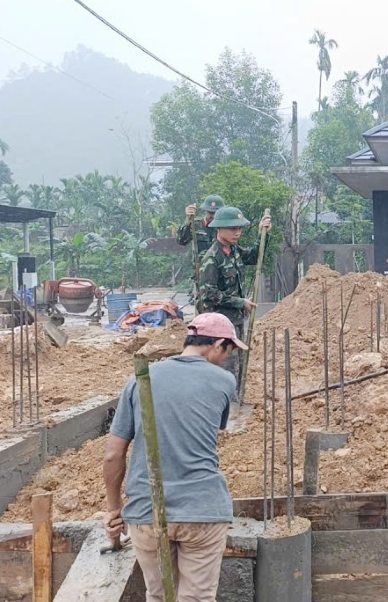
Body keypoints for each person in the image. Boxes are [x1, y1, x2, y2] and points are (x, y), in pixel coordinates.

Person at [102, 313, 247, 602]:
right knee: (197, 598)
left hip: (147, 511)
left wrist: (114, 508)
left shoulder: (138, 380)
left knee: (158, 595)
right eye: (228, 352)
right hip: (203, 511)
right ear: (218, 344)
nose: (226, 360)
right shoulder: (224, 381)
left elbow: (112, 454)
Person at [197, 206, 271, 379]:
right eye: (232, 228)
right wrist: (240, 302)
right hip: (220, 325)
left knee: (238, 365)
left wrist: (263, 234)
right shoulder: (212, 258)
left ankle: (235, 400)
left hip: (236, 320)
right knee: (225, 368)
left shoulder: (234, 251)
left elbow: (253, 256)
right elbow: (208, 294)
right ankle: (228, 404)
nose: (237, 232)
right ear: (219, 228)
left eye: (239, 228)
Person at [177, 195, 225, 303]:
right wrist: (188, 220)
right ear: (205, 211)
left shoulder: (223, 228)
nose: (212, 216)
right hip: (200, 275)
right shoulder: (195, 225)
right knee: (201, 309)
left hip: (220, 275)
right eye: (210, 213)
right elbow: (181, 240)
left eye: (215, 213)